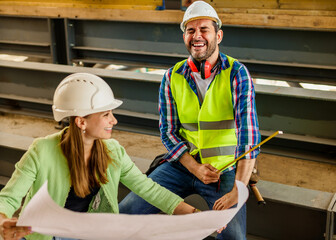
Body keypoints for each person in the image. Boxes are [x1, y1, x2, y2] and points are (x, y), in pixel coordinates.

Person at [118, 1, 261, 239]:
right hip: (181, 165)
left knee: (233, 237)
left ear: (219, 35)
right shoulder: (172, 76)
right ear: (184, 36)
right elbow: (168, 131)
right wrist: (194, 167)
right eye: (190, 30)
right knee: (127, 211)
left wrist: (240, 187)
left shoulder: (237, 73)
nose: (197, 36)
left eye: (204, 29)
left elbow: (249, 136)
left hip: (223, 170)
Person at [0, 73, 198, 240]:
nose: (114, 120)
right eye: (105, 114)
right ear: (81, 122)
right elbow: (8, 199)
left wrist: (193, 214)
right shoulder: (42, 151)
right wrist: (2, 221)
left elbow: (149, 189)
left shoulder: (113, 151)